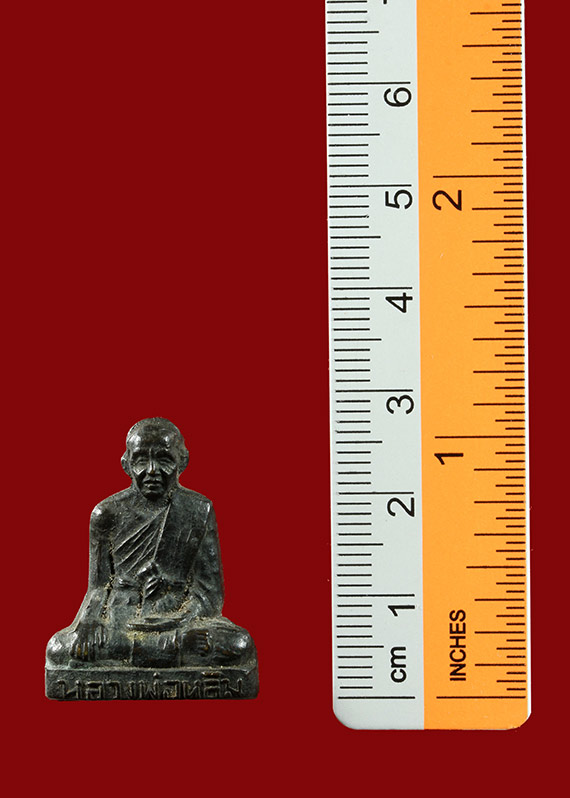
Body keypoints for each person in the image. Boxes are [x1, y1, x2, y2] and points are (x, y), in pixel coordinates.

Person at [46, 418, 256, 669]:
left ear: (182, 462)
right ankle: (172, 647)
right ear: (126, 464)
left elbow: (210, 593)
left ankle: (155, 646)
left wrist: (182, 613)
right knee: (59, 648)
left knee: (239, 644)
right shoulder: (106, 513)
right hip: (122, 618)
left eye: (164, 460)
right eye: (141, 460)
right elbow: (99, 586)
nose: (152, 470)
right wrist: (89, 622)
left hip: (177, 618)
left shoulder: (198, 510)